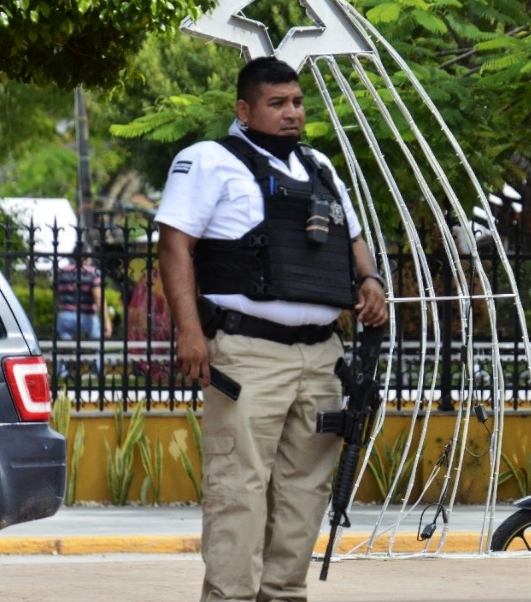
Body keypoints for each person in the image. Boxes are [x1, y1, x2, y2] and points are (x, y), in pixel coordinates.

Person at [155, 57, 389, 602]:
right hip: (246, 352)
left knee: (304, 493)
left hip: (322, 358)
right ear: (244, 108)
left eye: (297, 102)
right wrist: (190, 334)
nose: (291, 114)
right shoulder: (208, 161)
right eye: (276, 103)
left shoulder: (320, 165)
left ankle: (284, 595)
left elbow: (352, 240)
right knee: (239, 490)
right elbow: (174, 248)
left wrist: (371, 279)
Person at [55, 255, 112, 377]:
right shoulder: (93, 273)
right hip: (86, 316)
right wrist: (107, 321)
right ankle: (97, 369)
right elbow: (98, 297)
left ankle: (62, 371)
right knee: (97, 342)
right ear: (87, 258)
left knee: (64, 344)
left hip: (65, 315)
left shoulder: (63, 271)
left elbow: (57, 294)